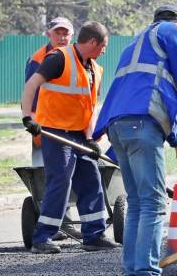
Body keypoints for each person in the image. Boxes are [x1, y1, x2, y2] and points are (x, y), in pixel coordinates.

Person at [94, 4, 177, 276]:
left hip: (120, 127)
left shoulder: (135, 44)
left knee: (138, 203)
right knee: (153, 203)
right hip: (142, 125)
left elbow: (148, 91)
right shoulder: (170, 31)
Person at [21, 21, 113, 254]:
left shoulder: (94, 69)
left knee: (91, 179)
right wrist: (27, 118)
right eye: (103, 45)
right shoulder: (59, 58)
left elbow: (90, 107)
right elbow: (32, 84)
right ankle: (42, 237)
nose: (104, 50)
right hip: (54, 132)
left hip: (80, 135)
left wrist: (91, 138)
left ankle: (94, 235)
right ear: (92, 42)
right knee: (61, 180)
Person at [25, 17, 73, 166]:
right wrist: (34, 124)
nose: (62, 37)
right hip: (45, 127)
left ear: (72, 35)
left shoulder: (77, 58)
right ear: (48, 34)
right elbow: (31, 95)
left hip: (70, 125)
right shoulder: (38, 60)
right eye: (57, 33)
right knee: (43, 169)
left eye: (65, 34)